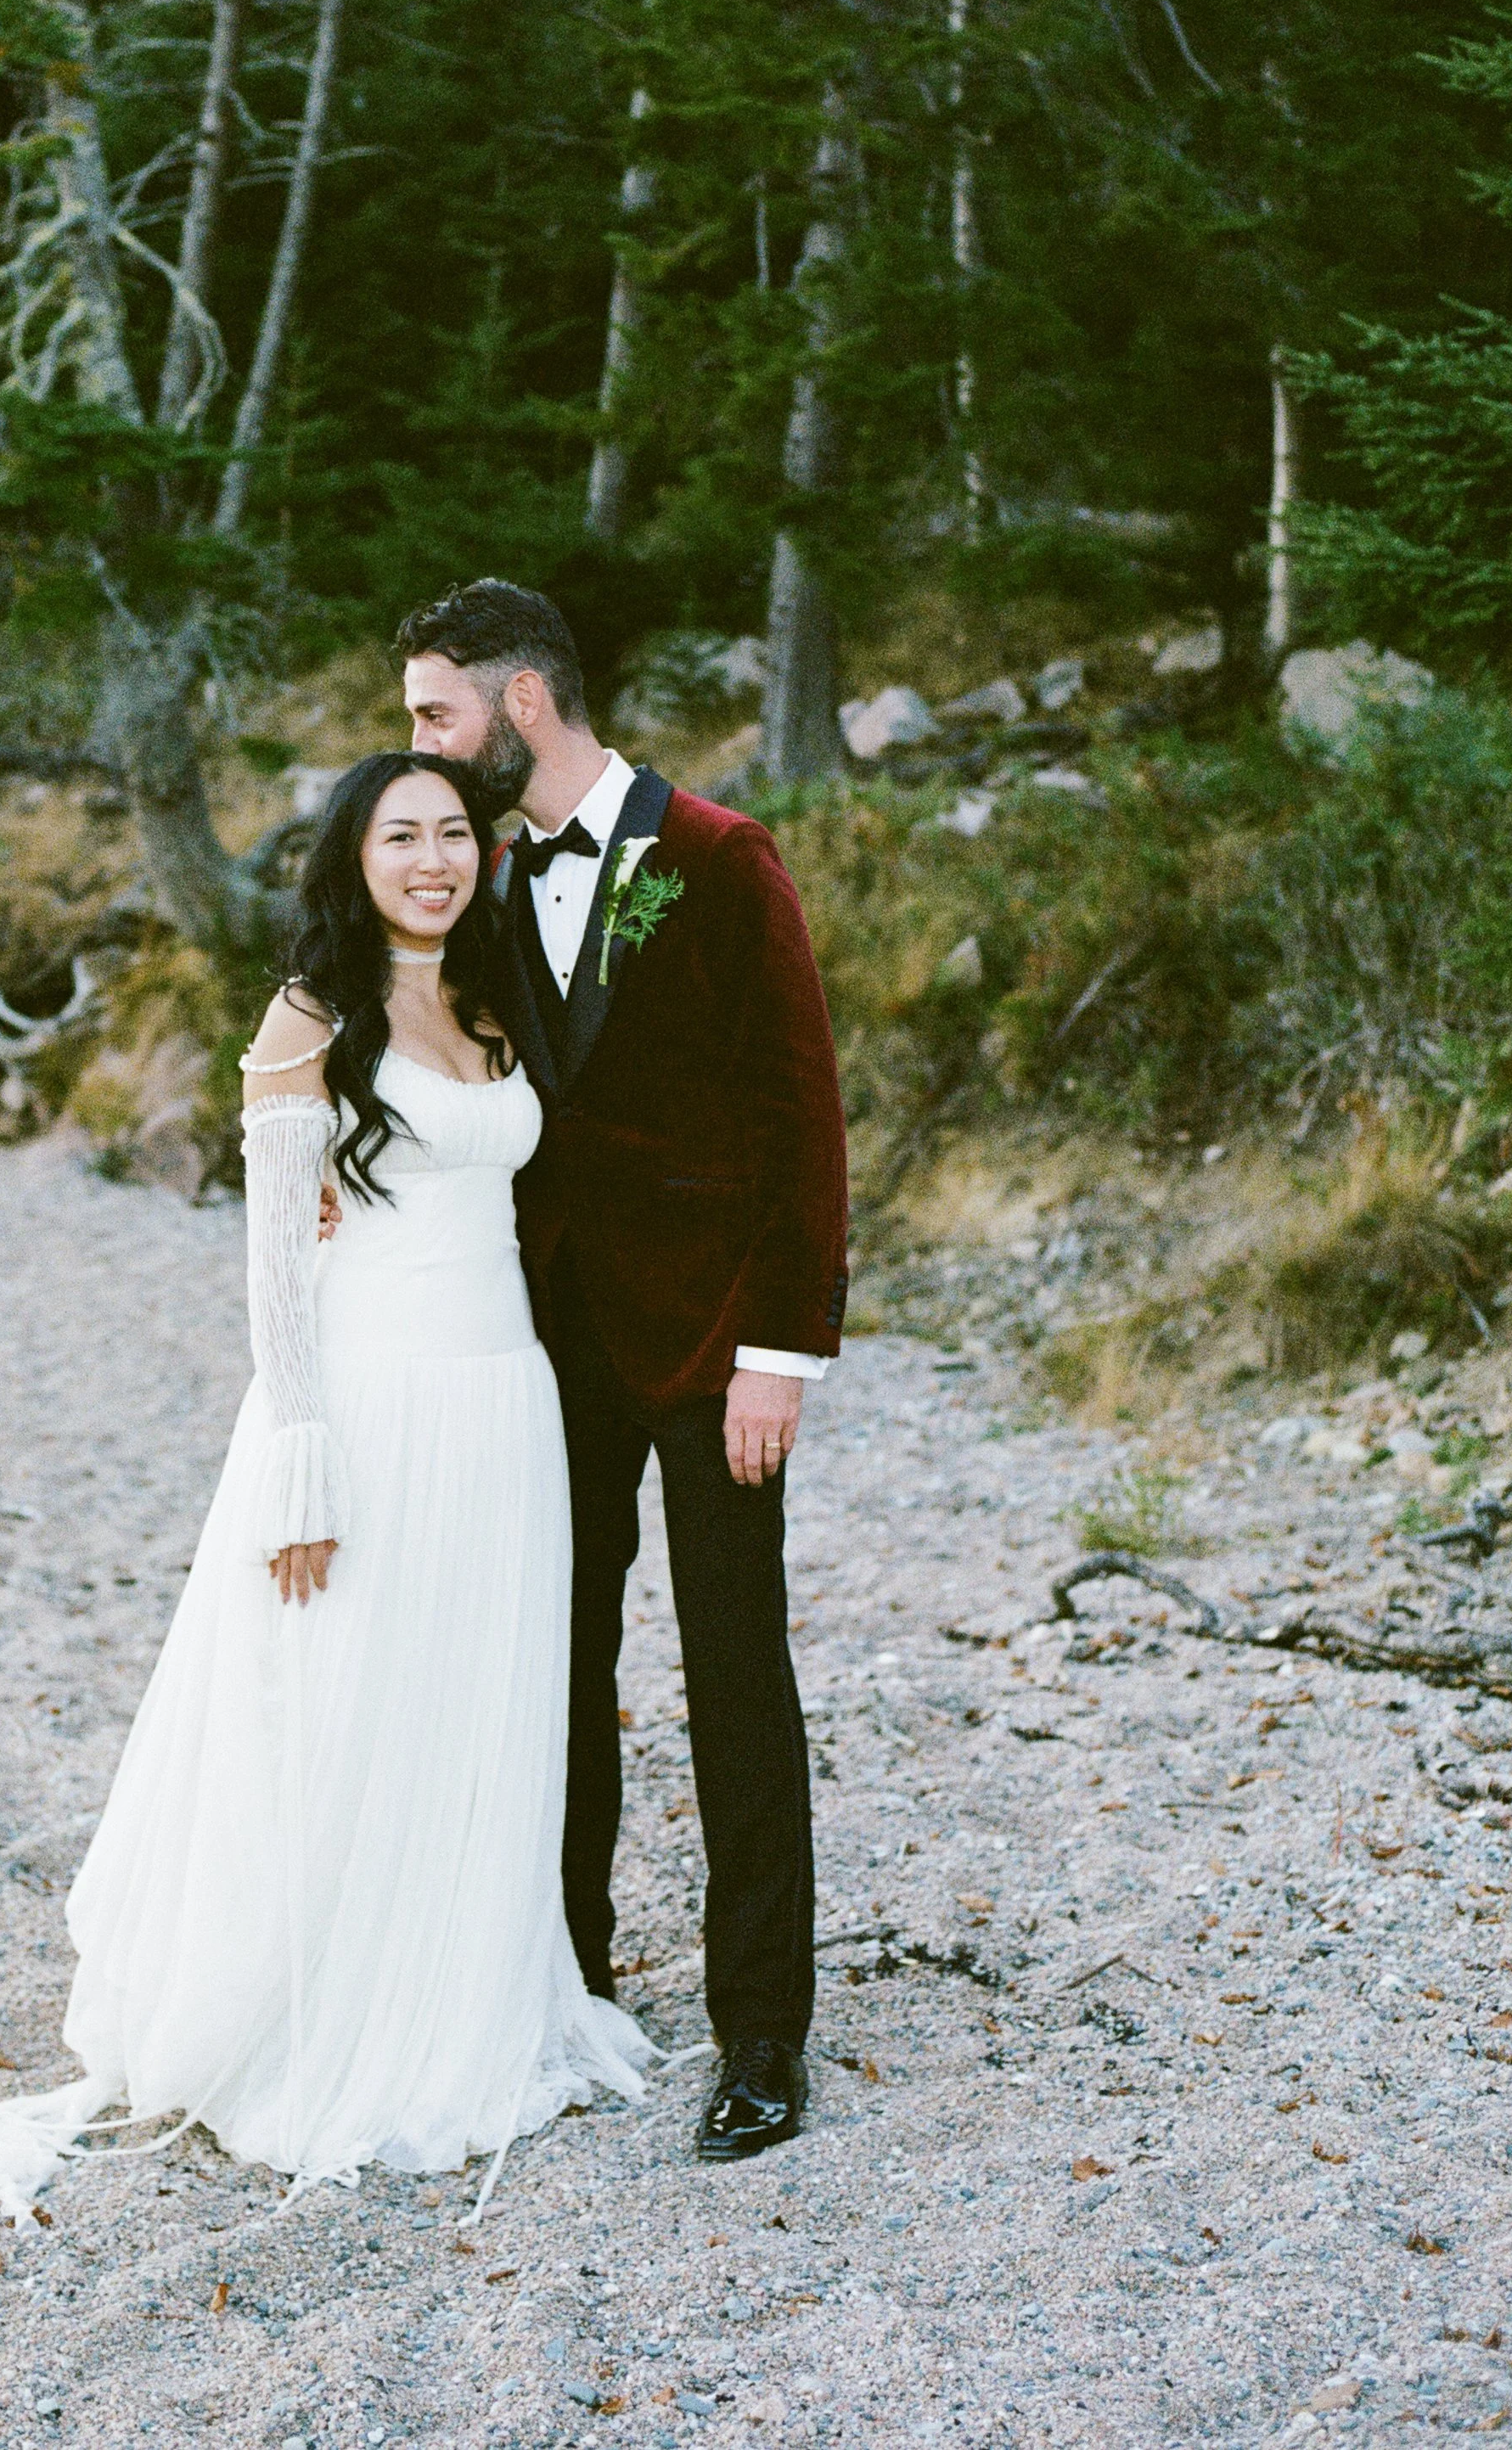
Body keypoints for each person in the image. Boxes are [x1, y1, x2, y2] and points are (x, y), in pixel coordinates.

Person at [0, 752, 653, 2222]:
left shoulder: (493, 1003)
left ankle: (459, 1995)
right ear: (353, 858)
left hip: (501, 1402)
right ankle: (312, 2017)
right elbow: (278, 1264)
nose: (433, 859)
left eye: (453, 834)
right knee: (336, 1699)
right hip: (365, 1401)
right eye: (400, 836)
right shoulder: (311, 1020)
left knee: (467, 1700)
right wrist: (299, 1456)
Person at [398, 581, 849, 2164]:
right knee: (557, 1664)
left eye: (437, 714)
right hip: (550, 1348)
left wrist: (780, 1354)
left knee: (735, 1673)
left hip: (717, 1344)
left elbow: (802, 1117)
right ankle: (570, 1982)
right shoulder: (482, 874)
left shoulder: (719, 859)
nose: (423, 746)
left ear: (522, 702)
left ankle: (763, 2033)